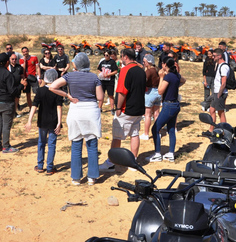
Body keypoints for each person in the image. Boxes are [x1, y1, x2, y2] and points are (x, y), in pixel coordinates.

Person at [49, 53, 103, 185]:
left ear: (76, 64)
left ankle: (76, 177)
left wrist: (68, 95)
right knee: (92, 145)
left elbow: (52, 87)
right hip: (91, 111)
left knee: (76, 145)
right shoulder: (94, 77)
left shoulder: (69, 76)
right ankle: (92, 176)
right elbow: (100, 97)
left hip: (76, 110)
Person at [99, 48, 146, 172]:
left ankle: (111, 162)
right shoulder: (141, 69)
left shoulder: (125, 70)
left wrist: (118, 107)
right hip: (139, 108)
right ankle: (133, 161)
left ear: (125, 56)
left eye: (121, 56)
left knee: (117, 136)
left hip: (127, 108)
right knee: (134, 134)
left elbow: (121, 91)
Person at [146, 57, 186, 162]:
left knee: (155, 129)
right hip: (176, 105)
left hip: (168, 106)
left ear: (164, 65)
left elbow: (160, 91)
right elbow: (183, 80)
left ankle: (157, 154)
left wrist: (161, 77)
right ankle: (171, 153)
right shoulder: (176, 75)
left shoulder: (168, 77)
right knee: (171, 129)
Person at [25, 69, 63, 175]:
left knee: (41, 143)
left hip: (42, 121)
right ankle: (50, 168)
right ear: (56, 79)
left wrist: (29, 121)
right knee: (51, 144)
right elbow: (59, 108)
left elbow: (34, 106)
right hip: (54, 122)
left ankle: (40, 166)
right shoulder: (58, 91)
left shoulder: (40, 91)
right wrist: (59, 123)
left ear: (45, 78)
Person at [0, 53, 27, 153]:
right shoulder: (7, 74)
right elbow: (13, 91)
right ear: (7, 62)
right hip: (6, 102)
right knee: (6, 125)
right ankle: (5, 146)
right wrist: (21, 86)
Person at [205, 48, 229, 135]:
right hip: (216, 92)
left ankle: (224, 131)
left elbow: (224, 83)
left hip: (220, 93)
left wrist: (219, 94)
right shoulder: (218, 65)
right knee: (211, 110)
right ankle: (211, 129)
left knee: (221, 113)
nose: (213, 57)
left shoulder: (224, 67)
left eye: (214, 56)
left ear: (219, 56)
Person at [141, 54, 161, 140]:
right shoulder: (157, 70)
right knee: (156, 114)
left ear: (148, 62)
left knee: (148, 115)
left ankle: (146, 134)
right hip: (158, 92)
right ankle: (157, 133)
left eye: (144, 61)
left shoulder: (149, 71)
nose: (143, 63)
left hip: (150, 92)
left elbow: (143, 81)